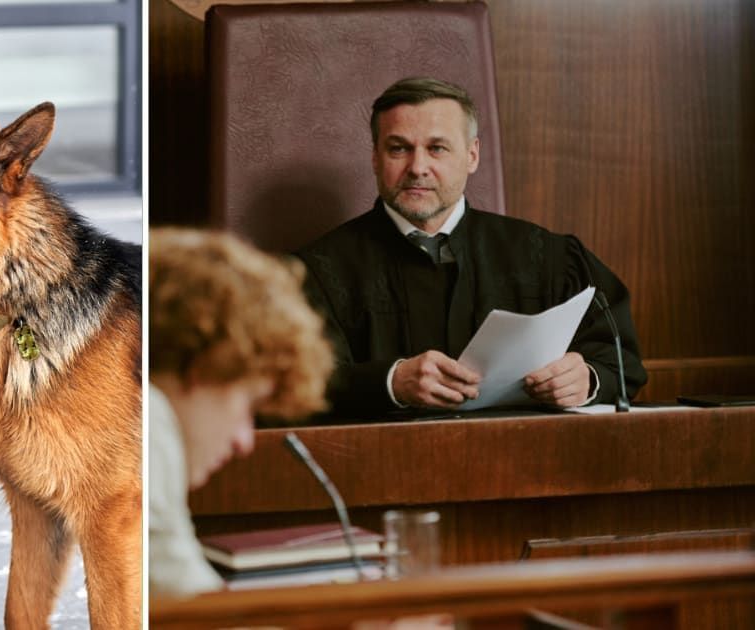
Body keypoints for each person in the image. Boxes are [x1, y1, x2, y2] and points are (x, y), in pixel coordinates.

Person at [295, 77, 646, 418]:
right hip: (379, 468)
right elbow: (288, 387)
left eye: (437, 148)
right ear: (375, 158)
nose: (418, 168)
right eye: (398, 148)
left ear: (472, 155)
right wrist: (390, 383)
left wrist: (587, 379)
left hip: (524, 465)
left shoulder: (546, 256)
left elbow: (619, 360)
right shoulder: (317, 272)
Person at [148, 227, 334, 598]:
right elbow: (201, 618)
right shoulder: (149, 425)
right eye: (247, 405)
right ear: (205, 365)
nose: (243, 442)